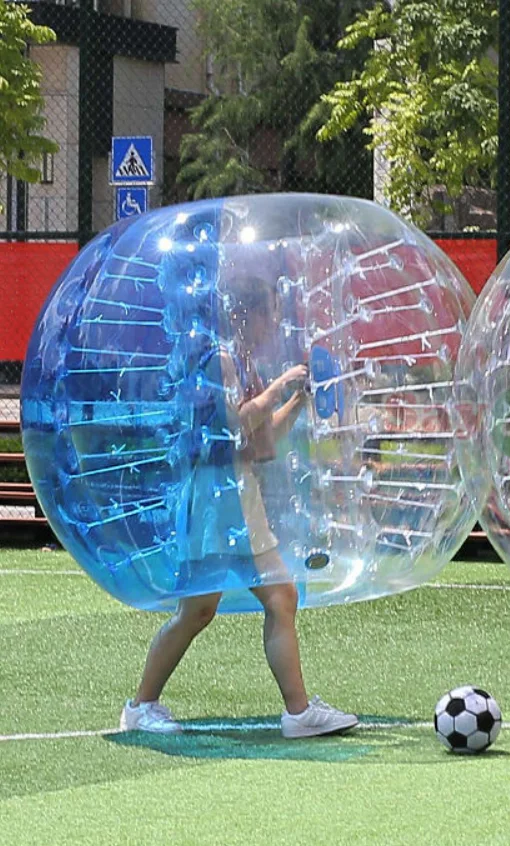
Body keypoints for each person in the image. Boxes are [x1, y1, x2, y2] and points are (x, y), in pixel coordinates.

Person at [120, 277, 357, 739]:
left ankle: (296, 711)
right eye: (269, 311)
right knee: (217, 606)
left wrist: (298, 399)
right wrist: (281, 386)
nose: (274, 322)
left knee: (256, 601)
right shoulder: (221, 359)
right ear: (244, 313)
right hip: (219, 498)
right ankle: (142, 705)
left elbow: (261, 439)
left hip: (234, 493)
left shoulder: (239, 360)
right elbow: (236, 422)